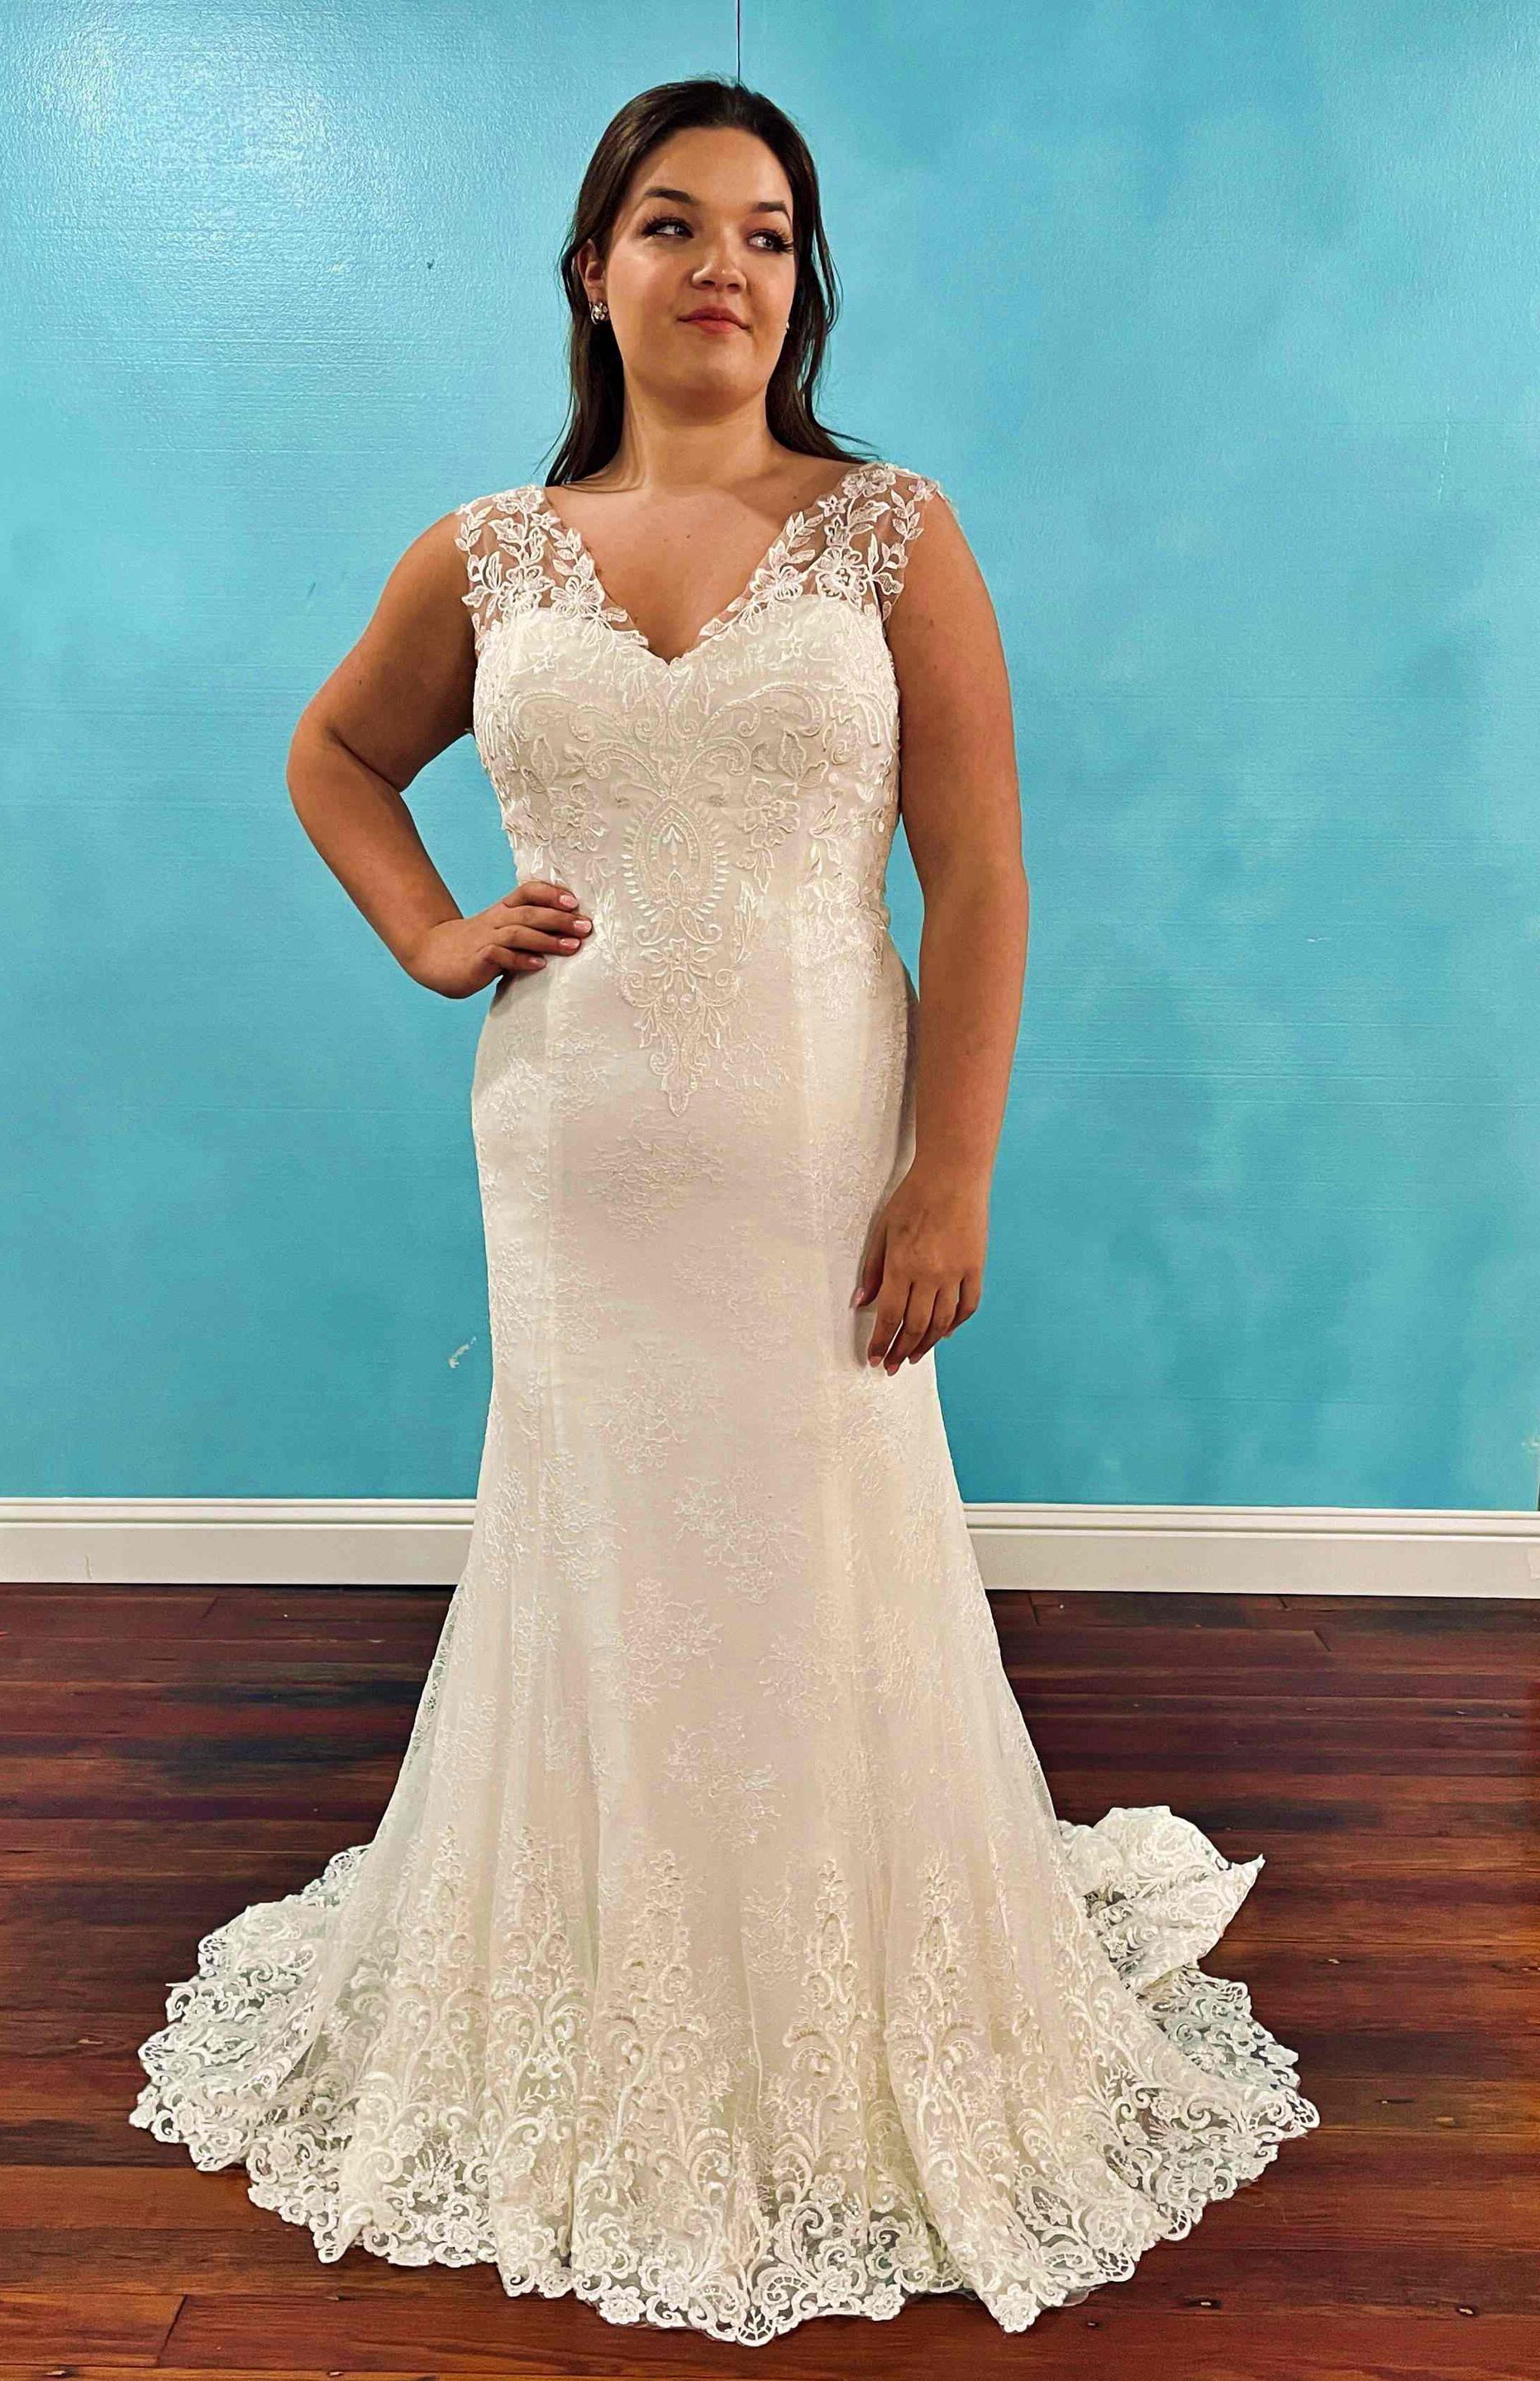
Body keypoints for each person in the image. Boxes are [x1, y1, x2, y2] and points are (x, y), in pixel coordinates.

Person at [128, 74, 1318, 2347]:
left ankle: (853, 1985)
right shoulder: (490, 549)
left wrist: (948, 1165)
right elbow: (336, 754)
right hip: (574, 1149)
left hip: (817, 1144)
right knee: (597, 1540)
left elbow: (978, 869)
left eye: (766, 233)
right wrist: (429, 930)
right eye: (672, 228)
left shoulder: (889, 533)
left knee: (819, 1535)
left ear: (803, 278)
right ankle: (596, 1967)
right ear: (593, 272)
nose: (722, 270)